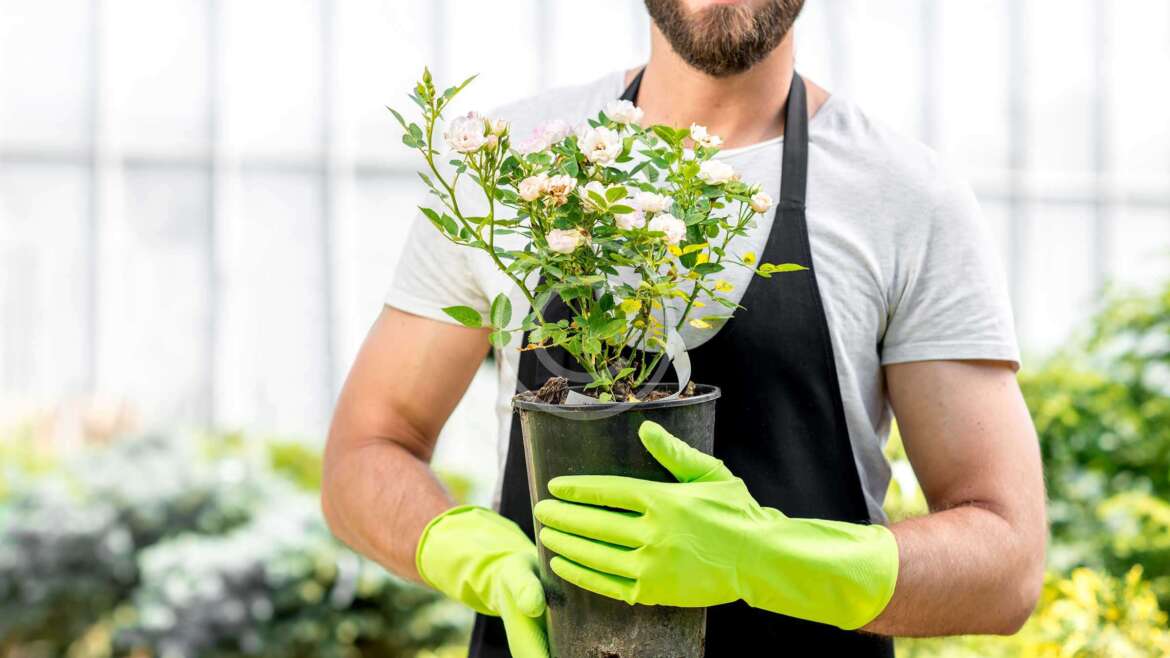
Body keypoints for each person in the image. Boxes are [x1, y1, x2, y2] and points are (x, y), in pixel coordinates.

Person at [321, 1, 1047, 656]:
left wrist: (769, 559)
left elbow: (1007, 563)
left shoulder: (905, 196)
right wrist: (460, 547)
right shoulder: (506, 167)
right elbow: (367, 449)